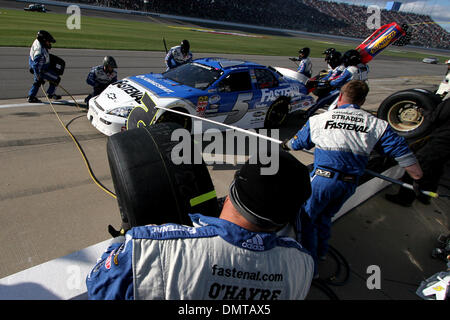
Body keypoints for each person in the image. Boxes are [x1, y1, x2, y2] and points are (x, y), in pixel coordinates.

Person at [86, 151, 315, 300]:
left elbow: (97, 286)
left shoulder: (149, 248)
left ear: (233, 191)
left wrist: (124, 238)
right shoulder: (303, 264)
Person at [282, 80, 423, 274]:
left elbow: (296, 144)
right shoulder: (377, 124)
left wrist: (285, 145)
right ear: (363, 101)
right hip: (348, 185)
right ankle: (321, 253)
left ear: (340, 96)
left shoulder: (320, 120)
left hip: (323, 180)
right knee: (324, 218)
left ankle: (308, 268)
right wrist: (417, 179)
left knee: (305, 220)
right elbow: (405, 155)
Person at [385, 98, 450, 207]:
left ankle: (404, 198)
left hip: (442, 141)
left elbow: (435, 117)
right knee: (436, 168)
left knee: (416, 164)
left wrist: (421, 111)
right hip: (447, 145)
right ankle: (425, 196)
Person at [28, 30, 61, 103]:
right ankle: (50, 94)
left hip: (38, 64)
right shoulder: (39, 52)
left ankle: (31, 96)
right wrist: (38, 76)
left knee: (38, 82)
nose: (49, 43)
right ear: (43, 41)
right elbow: (36, 66)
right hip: (42, 69)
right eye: (48, 42)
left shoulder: (38, 42)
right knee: (56, 79)